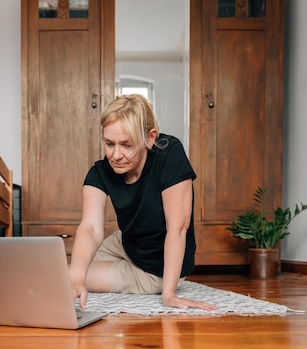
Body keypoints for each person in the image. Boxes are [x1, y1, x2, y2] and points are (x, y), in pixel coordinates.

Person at [69, 94, 217, 311]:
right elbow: (90, 228)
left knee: (66, 277)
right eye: (109, 143)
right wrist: (77, 275)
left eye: (127, 145)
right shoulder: (100, 171)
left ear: (150, 138)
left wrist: (169, 294)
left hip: (155, 268)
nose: (116, 155)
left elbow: (178, 227)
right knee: (71, 273)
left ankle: (134, 277)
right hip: (128, 242)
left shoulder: (169, 154)